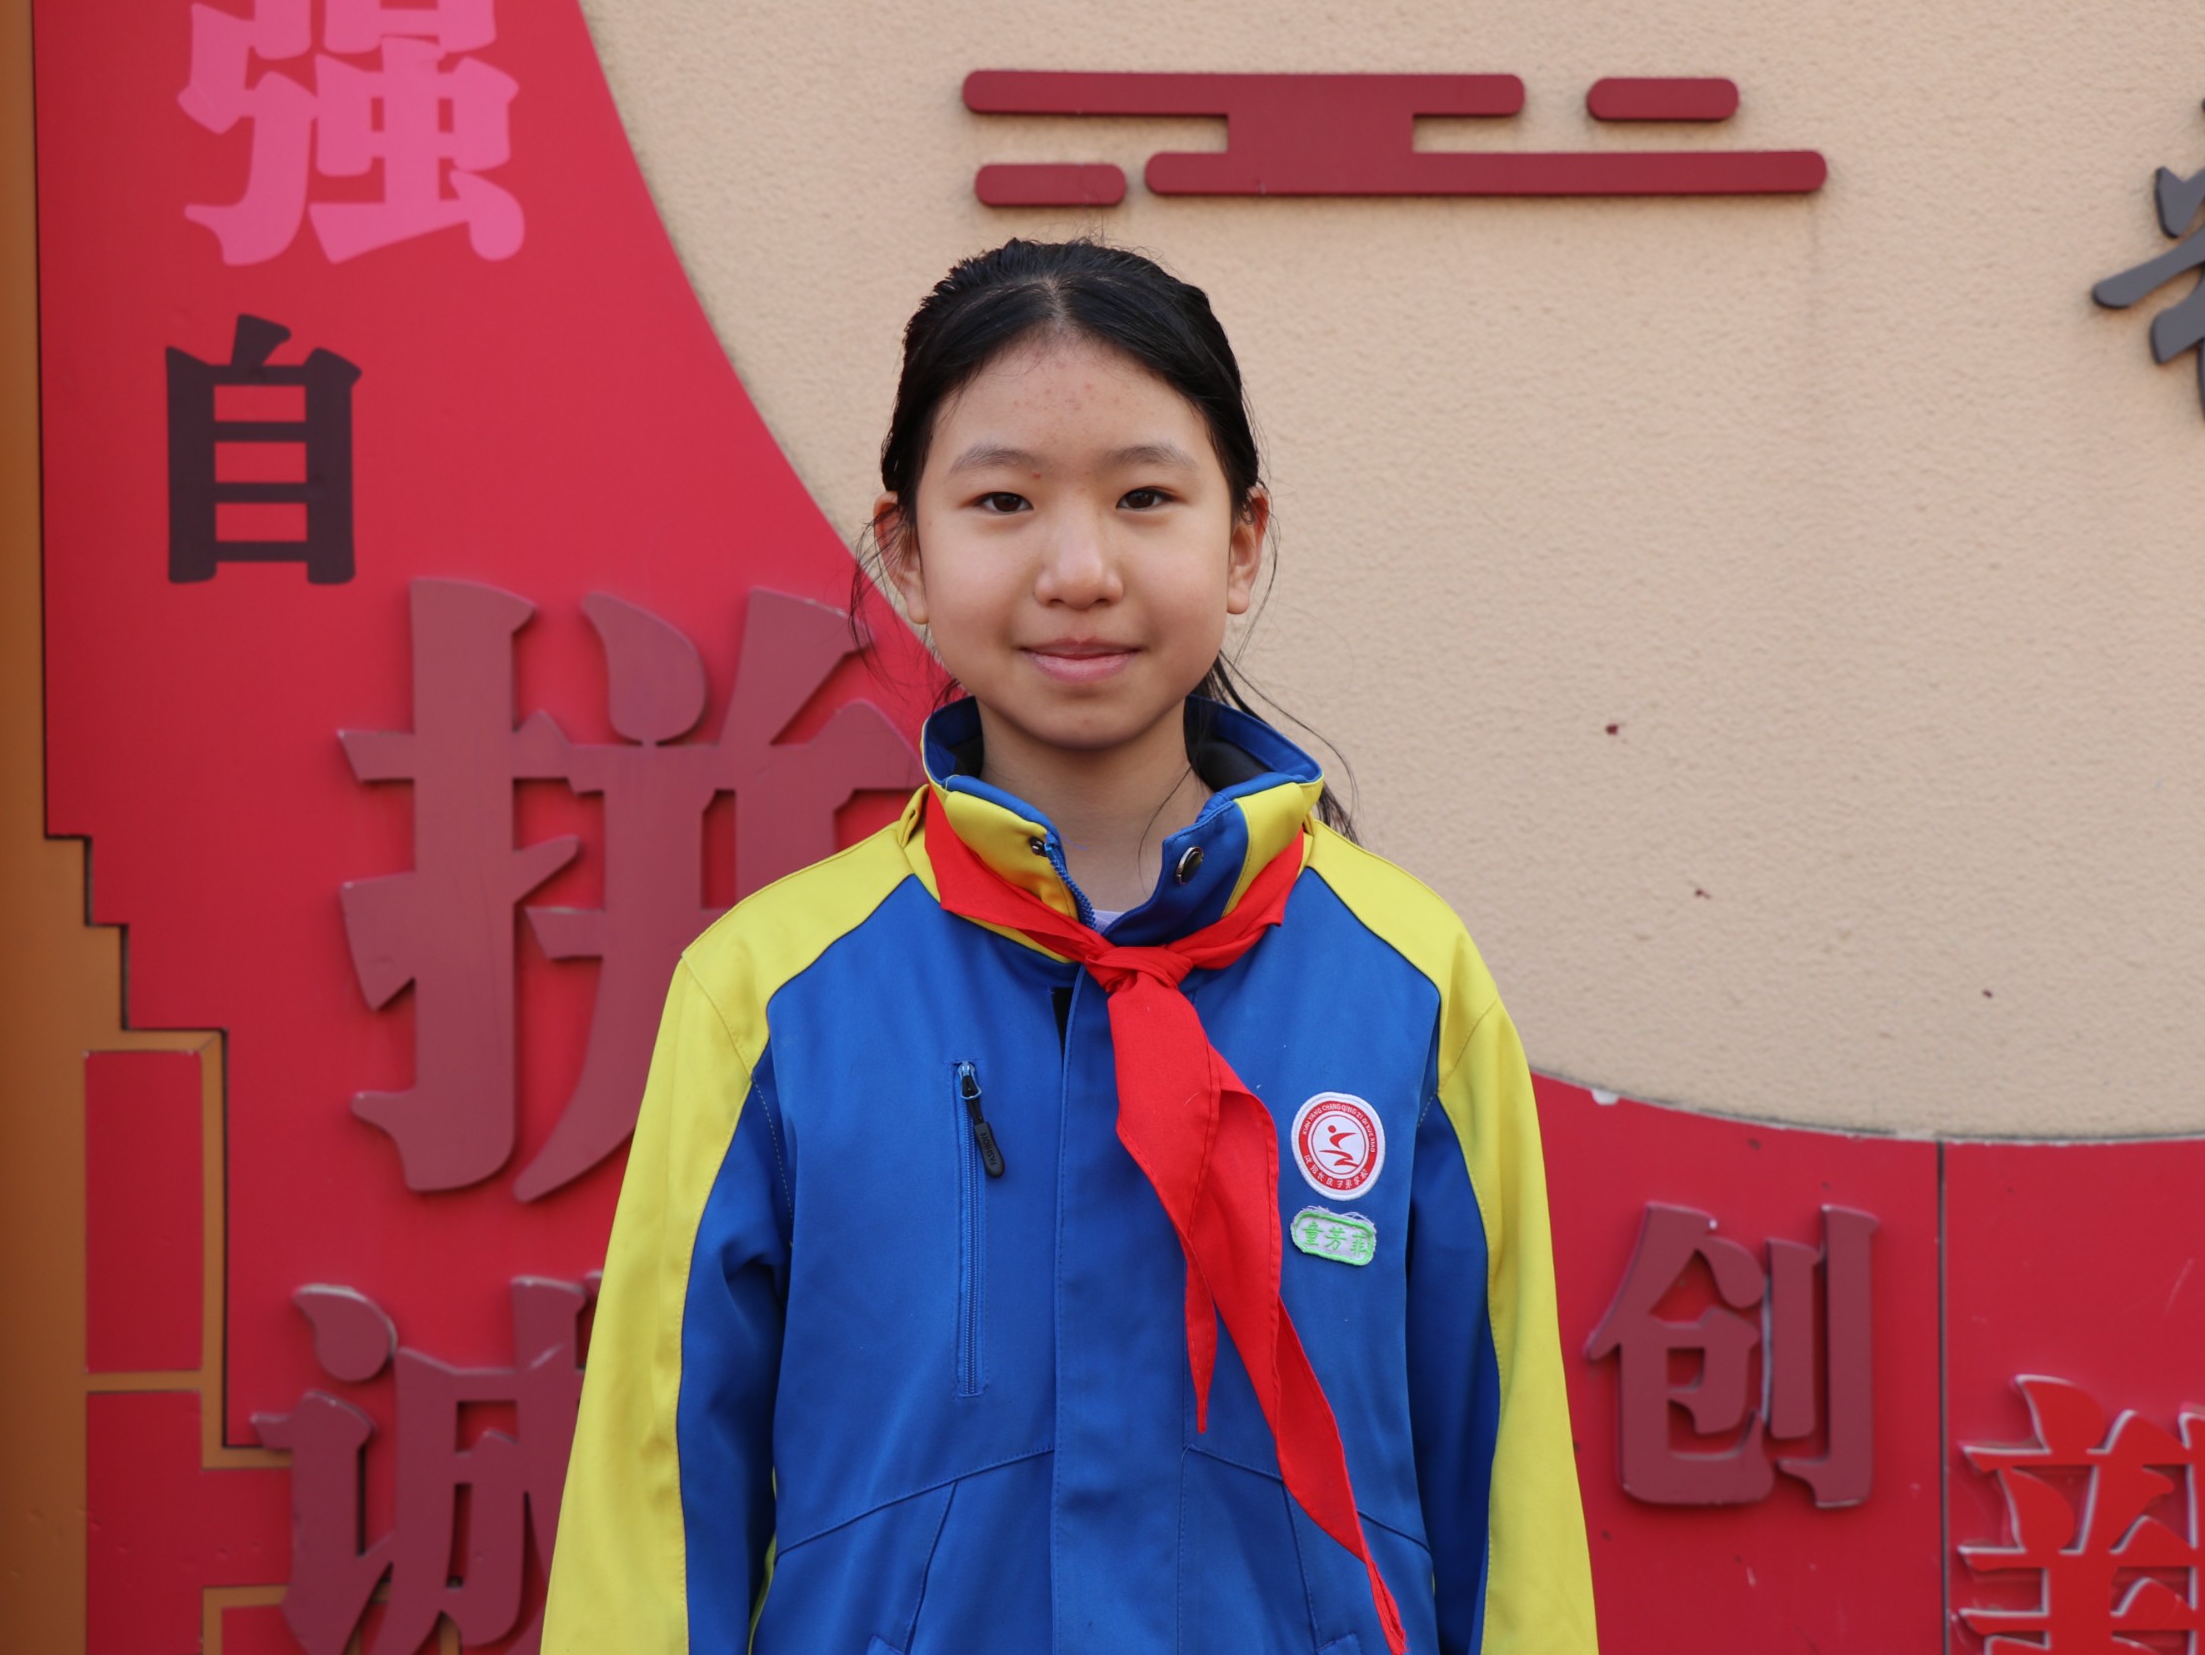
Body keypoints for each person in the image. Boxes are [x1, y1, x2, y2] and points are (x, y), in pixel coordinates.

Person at [543, 239, 1597, 1655]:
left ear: (1242, 542)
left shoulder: (1409, 981)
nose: (1080, 569)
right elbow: (658, 1514)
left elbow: (1507, 1502)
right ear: (908, 553)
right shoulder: (768, 996)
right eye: (1004, 501)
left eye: (1144, 497)